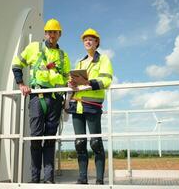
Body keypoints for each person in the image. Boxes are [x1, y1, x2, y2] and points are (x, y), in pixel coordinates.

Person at [11, 18, 70, 183]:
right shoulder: (34, 48)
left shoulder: (63, 56)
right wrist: (21, 83)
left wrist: (71, 84)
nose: (52, 35)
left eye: (55, 32)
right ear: (45, 33)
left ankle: (49, 179)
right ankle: (35, 179)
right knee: (36, 139)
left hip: (56, 100)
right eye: (49, 32)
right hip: (38, 98)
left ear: (59, 35)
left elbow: (67, 78)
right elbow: (17, 64)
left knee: (50, 140)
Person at [68, 28, 113, 185]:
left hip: (92, 105)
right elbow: (75, 82)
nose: (88, 41)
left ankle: (99, 180)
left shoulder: (103, 60)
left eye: (91, 39)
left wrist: (89, 84)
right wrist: (71, 83)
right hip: (77, 105)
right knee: (80, 143)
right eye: (85, 39)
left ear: (97, 42)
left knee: (95, 142)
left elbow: (106, 80)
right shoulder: (79, 62)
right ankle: (82, 178)